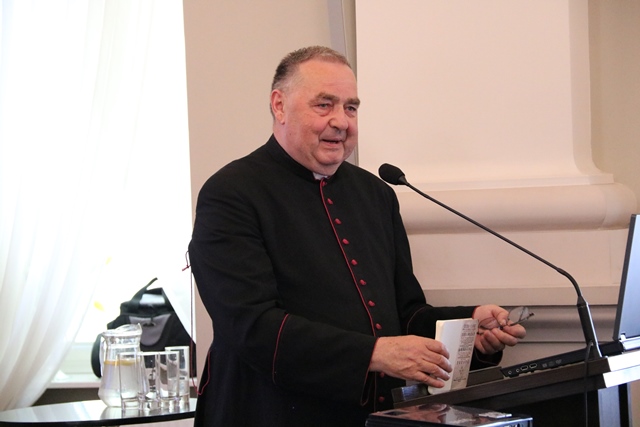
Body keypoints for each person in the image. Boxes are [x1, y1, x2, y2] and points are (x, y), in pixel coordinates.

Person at [188, 46, 526, 427]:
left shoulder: (376, 194)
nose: (341, 122)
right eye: (324, 105)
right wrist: (375, 354)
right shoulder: (231, 194)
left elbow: (406, 315)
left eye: (351, 108)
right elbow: (253, 327)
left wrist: (468, 328)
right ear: (279, 106)